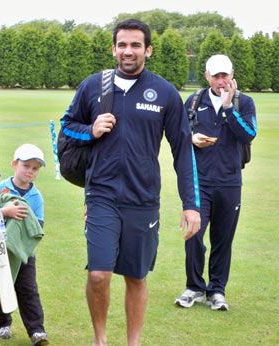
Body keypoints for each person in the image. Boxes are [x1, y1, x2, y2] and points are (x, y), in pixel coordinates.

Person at [60, 18, 201, 346]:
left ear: (148, 50)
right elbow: (66, 127)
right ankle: (100, 340)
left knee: (136, 277)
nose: (128, 51)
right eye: (122, 44)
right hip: (101, 196)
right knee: (98, 274)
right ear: (113, 48)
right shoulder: (93, 86)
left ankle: (133, 343)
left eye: (136, 45)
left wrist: (191, 205)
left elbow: (183, 152)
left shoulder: (164, 92)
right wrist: (90, 129)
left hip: (143, 199)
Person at [175, 55, 257, 311]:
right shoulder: (194, 101)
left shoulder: (244, 102)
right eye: (215, 75)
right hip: (198, 182)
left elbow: (248, 134)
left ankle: (217, 291)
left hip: (230, 182)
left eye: (225, 75)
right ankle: (194, 287)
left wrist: (229, 106)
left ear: (232, 74)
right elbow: (179, 135)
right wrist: (191, 139)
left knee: (223, 238)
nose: (221, 80)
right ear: (207, 76)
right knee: (194, 235)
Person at [0, 143, 49, 346]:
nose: (30, 172)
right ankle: (3, 323)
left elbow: (37, 226)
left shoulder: (36, 197)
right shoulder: (1, 187)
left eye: (35, 168)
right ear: (14, 164)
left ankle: (36, 330)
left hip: (25, 252)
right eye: (26, 166)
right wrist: (5, 212)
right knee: (1, 287)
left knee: (28, 289)